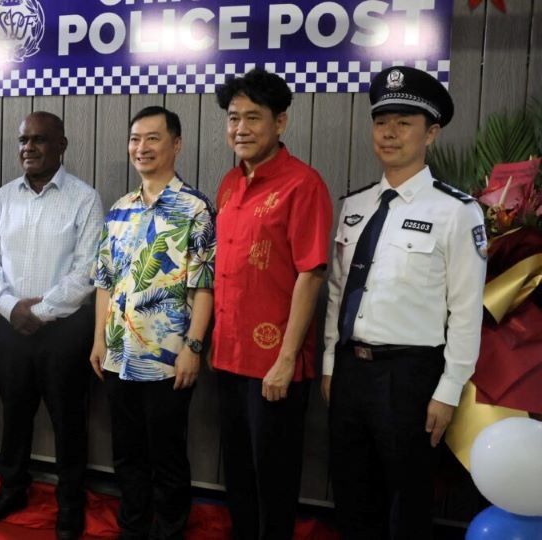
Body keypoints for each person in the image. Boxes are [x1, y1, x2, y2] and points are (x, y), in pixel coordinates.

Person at [323, 66, 487, 538]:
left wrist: (448, 390)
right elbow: (337, 292)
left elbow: (466, 309)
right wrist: (331, 365)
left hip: (411, 376)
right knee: (352, 497)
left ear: (431, 133)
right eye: (381, 122)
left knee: (409, 501)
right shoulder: (356, 206)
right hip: (351, 371)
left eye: (404, 122)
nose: (389, 133)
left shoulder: (456, 211)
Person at [210, 69, 333, 540]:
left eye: (253, 118)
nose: (240, 128)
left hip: (274, 364)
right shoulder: (229, 183)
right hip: (228, 356)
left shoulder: (303, 184)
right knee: (238, 472)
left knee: (274, 478)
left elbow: (311, 273)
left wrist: (285, 359)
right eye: (233, 118)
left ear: (280, 122)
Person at [0, 111, 104, 539]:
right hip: (10, 328)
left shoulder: (85, 199)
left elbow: (87, 271)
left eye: (40, 140)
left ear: (62, 145)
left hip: (64, 332)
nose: (29, 148)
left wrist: (40, 311)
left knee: (68, 420)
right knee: (14, 415)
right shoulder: (3, 198)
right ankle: (12, 489)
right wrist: (11, 307)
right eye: (23, 140)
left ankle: (70, 502)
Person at [91, 106, 216, 539]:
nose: (141, 147)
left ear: (176, 144)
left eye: (152, 138)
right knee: (126, 452)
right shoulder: (119, 209)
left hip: (168, 358)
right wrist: (98, 341)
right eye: (135, 139)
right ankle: (133, 526)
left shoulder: (195, 208)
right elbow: (104, 281)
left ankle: (170, 529)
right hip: (118, 353)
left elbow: (205, 284)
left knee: (167, 453)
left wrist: (193, 347)